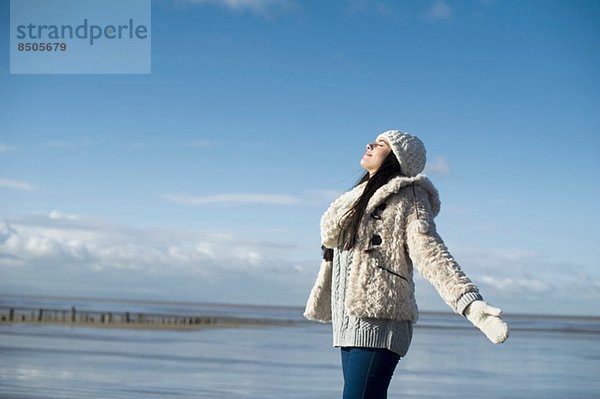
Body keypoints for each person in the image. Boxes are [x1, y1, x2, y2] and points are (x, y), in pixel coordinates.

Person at [304, 130, 509, 399]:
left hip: (381, 319)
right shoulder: (356, 198)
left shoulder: (409, 196)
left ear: (397, 158)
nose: (369, 145)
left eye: (380, 144)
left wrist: (470, 304)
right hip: (348, 321)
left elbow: (431, 251)